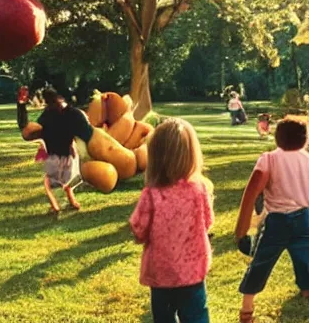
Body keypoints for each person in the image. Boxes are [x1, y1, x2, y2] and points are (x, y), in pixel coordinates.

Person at [129, 118, 214, 323]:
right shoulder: (199, 189)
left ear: (156, 156)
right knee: (196, 315)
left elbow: (139, 229)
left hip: (161, 272)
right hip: (193, 271)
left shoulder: (151, 194)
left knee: (164, 317)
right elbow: (208, 221)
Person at [234, 118, 309, 323]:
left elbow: (250, 195)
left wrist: (240, 231)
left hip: (277, 221)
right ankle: (306, 289)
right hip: (304, 218)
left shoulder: (269, 159)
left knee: (261, 263)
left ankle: (247, 308)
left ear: (277, 138)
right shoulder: (307, 159)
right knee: (306, 257)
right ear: (305, 139)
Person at [18, 87, 93, 212]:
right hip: (69, 158)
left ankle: (55, 206)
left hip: (54, 158)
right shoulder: (70, 113)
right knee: (67, 184)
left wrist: (21, 106)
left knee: (48, 184)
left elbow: (30, 129)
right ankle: (73, 202)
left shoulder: (47, 116)